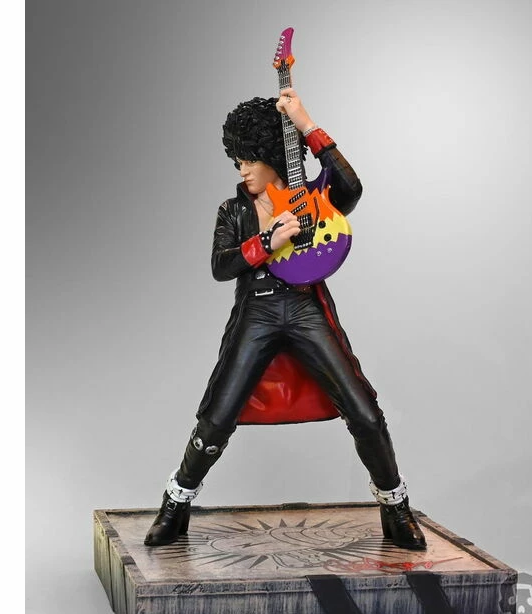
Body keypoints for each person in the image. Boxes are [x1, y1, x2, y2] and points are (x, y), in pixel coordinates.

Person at [144, 88, 426, 550]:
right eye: (237, 162)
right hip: (256, 311)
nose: (242, 170)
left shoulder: (311, 197)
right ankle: (174, 507)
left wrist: (305, 122)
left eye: (248, 160)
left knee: (365, 413)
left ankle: (396, 509)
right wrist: (265, 242)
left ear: (272, 155)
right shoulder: (234, 209)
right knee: (217, 418)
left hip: (303, 307)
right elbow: (220, 266)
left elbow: (351, 188)